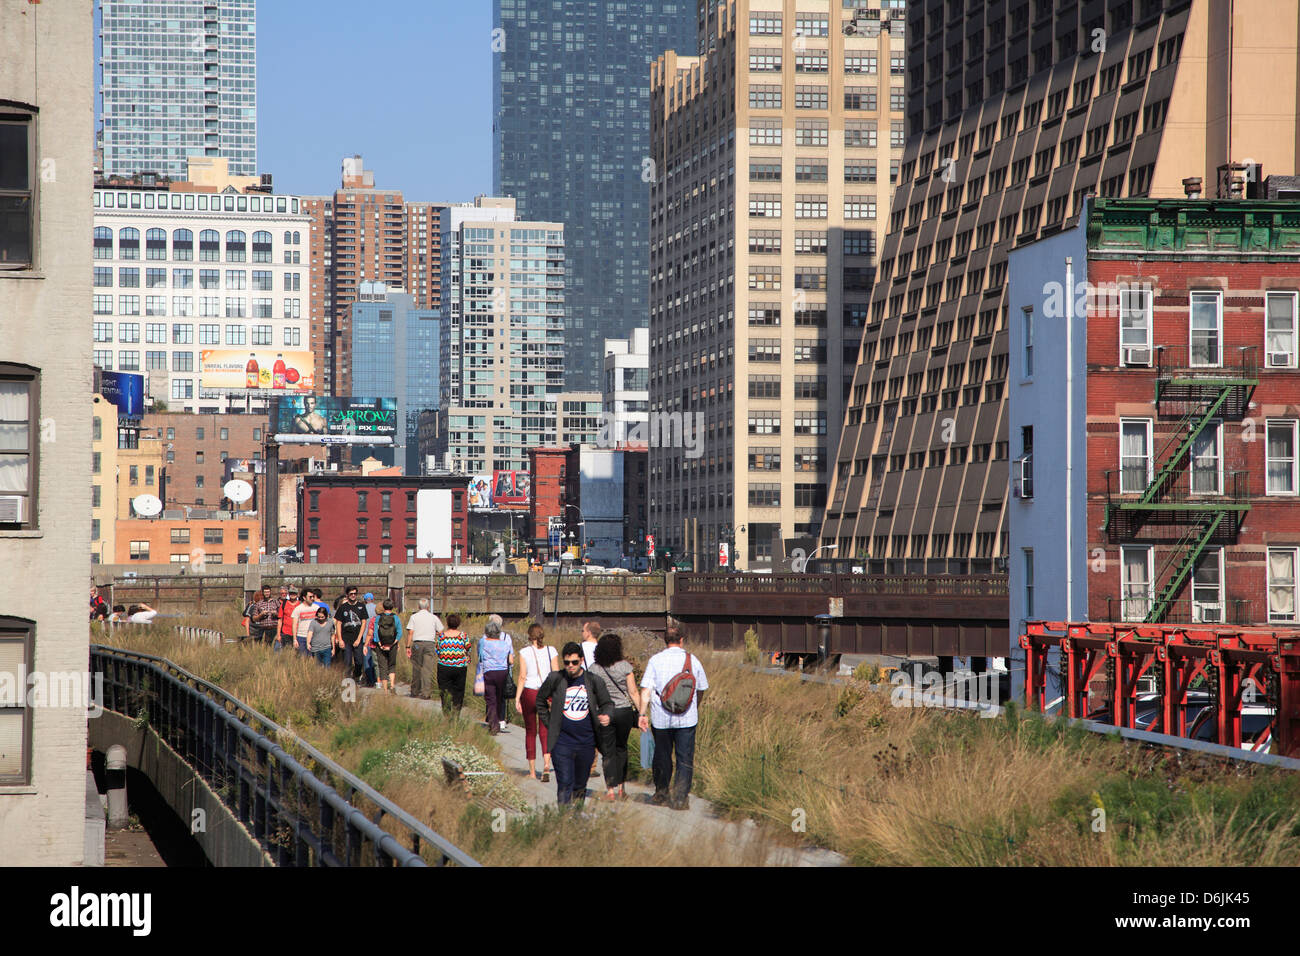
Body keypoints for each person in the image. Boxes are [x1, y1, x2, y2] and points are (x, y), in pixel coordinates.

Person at [638, 621, 709, 810]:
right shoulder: (693, 660)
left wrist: (642, 713)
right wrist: (695, 705)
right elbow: (701, 688)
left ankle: (661, 793)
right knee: (685, 758)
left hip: (661, 719)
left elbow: (646, 690)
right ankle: (680, 799)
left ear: (664, 640)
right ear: (682, 640)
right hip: (687, 718)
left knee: (662, 756)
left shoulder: (655, 660)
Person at [535, 642, 613, 805]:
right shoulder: (556, 679)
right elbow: (540, 700)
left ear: (582, 661)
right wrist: (551, 723)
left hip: (586, 742)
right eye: (567, 663)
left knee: (579, 785)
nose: (570, 666)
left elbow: (607, 703)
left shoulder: (593, 681)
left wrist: (607, 715)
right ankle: (563, 819)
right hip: (562, 742)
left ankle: (576, 820)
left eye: (574, 662)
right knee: (564, 783)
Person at [590, 632, 641, 801]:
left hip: (605, 712)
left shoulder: (594, 669)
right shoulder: (625, 666)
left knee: (608, 751)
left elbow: (591, 694)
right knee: (622, 749)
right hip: (624, 711)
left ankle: (610, 790)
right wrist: (642, 713)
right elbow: (633, 692)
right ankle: (621, 788)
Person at [514, 623, 558, 781]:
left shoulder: (524, 652)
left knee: (530, 731)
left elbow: (522, 676)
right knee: (546, 730)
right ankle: (547, 765)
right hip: (546, 693)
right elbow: (556, 674)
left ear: (529, 635)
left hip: (530, 692)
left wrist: (517, 697)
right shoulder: (551, 651)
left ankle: (532, 771)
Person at [476, 619, 514, 735]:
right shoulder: (505, 644)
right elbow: (511, 660)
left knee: (491, 699)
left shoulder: (483, 642)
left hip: (489, 672)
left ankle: (493, 725)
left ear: (487, 632)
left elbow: (480, 656)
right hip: (502, 672)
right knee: (499, 698)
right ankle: (498, 720)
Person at [405, 598, 443, 699]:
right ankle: (426, 693)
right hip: (430, 644)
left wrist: (408, 646)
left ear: (418, 607)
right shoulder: (434, 617)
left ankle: (415, 691)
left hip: (417, 644)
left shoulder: (414, 617)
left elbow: (410, 633)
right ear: (428, 607)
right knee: (427, 669)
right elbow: (440, 631)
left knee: (416, 668)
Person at [435, 613, 472, 717]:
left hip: (444, 667)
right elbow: (468, 649)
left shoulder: (441, 636)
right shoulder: (463, 636)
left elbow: (437, 650)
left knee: (445, 692)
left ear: (447, 623)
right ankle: (456, 715)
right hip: (460, 668)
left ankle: (446, 715)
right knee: (459, 692)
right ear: (458, 623)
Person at [366, 598, 403, 692]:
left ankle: (385, 690)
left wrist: (379, 643)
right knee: (392, 665)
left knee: (382, 667)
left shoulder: (378, 618)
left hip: (380, 646)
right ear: (392, 607)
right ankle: (392, 685)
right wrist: (394, 643)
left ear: (383, 607)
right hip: (392, 645)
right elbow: (399, 632)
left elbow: (375, 632)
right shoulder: (396, 617)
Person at [333, 585, 368, 682]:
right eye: (351, 594)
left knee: (359, 661)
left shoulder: (361, 606)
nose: (353, 595)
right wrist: (340, 639)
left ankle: (356, 675)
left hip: (357, 638)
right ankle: (348, 682)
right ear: (347, 595)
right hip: (346, 638)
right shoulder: (343, 607)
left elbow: (364, 623)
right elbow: (338, 623)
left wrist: (358, 639)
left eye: (355, 594)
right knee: (347, 662)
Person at [292, 588, 321, 652]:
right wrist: (295, 639)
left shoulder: (316, 608)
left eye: (313, 596)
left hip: (314, 636)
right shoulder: (298, 609)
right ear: (304, 598)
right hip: (301, 637)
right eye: (310, 597)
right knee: (303, 658)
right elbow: (294, 625)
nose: (312, 598)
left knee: (314, 658)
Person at [276, 587, 301, 653]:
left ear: (297, 594)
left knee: (298, 653)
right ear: (288, 594)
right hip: (286, 633)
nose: (292, 595)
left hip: (298, 633)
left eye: (294, 593)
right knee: (286, 652)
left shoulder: (300, 604)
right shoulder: (284, 604)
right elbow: (280, 620)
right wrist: (278, 634)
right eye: (291, 593)